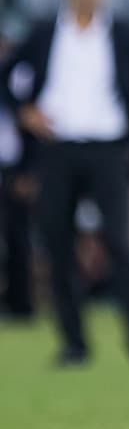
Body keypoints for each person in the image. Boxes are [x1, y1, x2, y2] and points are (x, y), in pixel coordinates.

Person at [0, 0, 129, 364]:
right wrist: (23, 112)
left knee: (120, 243)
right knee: (57, 243)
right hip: (56, 150)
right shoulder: (43, 34)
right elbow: (7, 76)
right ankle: (74, 342)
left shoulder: (123, 35)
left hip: (108, 151)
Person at [0, 29, 34, 322]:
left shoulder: (18, 78)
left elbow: (29, 125)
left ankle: (20, 302)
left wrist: (27, 169)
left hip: (12, 167)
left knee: (17, 237)